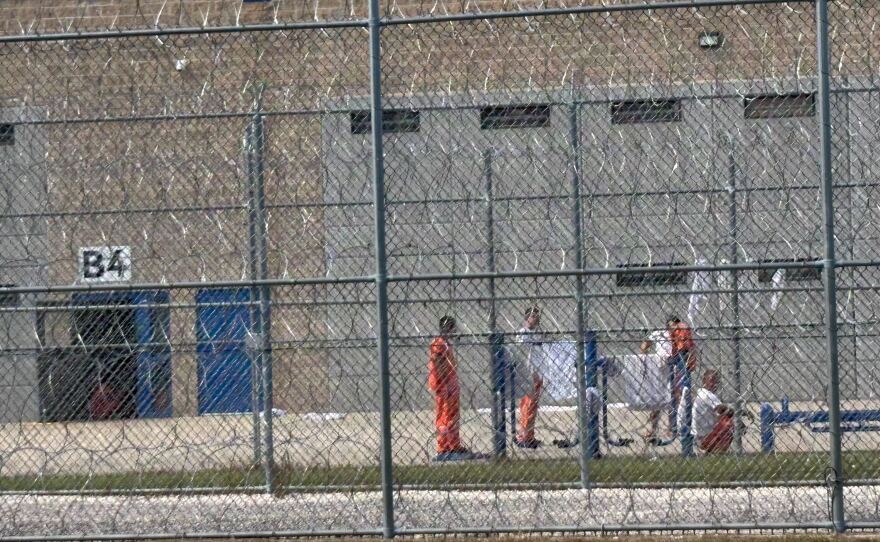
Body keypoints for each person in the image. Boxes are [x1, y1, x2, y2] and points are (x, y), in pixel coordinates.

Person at [428, 315, 472, 460]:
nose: (454, 331)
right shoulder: (439, 344)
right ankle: (443, 448)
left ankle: (454, 445)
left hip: (451, 385)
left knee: (452, 416)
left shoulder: (445, 343)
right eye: (452, 328)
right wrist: (444, 385)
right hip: (445, 386)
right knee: (445, 417)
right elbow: (438, 365)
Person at [680, 369, 734, 454]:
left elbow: (719, 412)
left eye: (716, 382)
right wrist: (739, 412)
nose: (714, 384)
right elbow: (722, 410)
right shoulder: (709, 395)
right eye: (711, 381)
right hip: (705, 438)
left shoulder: (700, 392)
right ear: (704, 381)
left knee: (724, 418)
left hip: (697, 437)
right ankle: (719, 451)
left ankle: (712, 450)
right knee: (729, 421)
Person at [515, 306, 544, 448]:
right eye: (533, 316)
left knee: (533, 406)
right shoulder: (522, 333)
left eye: (537, 316)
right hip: (527, 374)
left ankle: (529, 435)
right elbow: (521, 352)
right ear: (526, 318)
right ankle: (523, 436)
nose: (536, 318)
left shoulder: (539, 333)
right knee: (527, 405)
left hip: (537, 372)